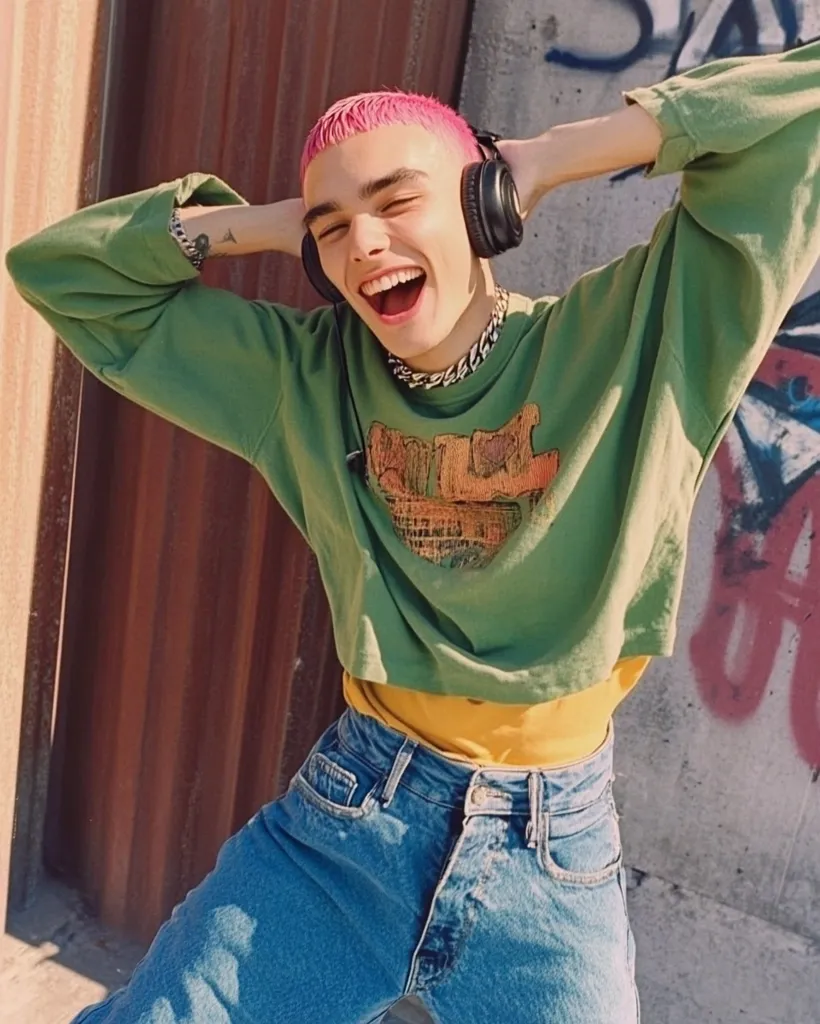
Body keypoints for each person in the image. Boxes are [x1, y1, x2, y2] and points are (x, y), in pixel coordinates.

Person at [6, 38, 819, 1024]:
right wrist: (266, 223)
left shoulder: (635, 345)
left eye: (397, 202)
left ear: (481, 206)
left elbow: (798, 110)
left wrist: (552, 154)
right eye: (333, 229)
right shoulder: (302, 380)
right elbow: (62, 273)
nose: (365, 244)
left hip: (550, 863)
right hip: (345, 833)